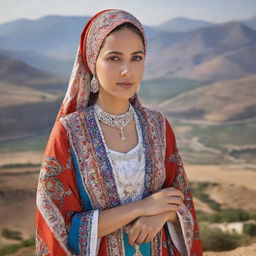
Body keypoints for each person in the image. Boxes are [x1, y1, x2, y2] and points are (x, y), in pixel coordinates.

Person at [35, 9, 203, 256]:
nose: (127, 71)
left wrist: (161, 215)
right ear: (93, 63)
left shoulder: (158, 126)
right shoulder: (70, 132)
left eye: (136, 58)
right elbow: (59, 225)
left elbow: (178, 199)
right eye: (114, 58)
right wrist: (142, 207)